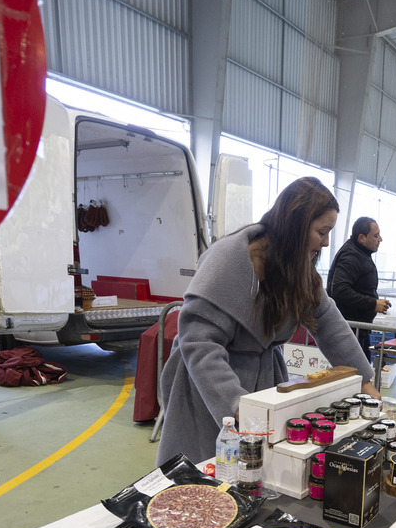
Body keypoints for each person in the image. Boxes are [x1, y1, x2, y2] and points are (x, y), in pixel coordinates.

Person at [156, 178, 380, 465]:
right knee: (205, 474)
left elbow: (328, 322)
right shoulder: (228, 259)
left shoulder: (298, 267)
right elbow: (199, 343)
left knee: (258, 473)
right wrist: (235, 405)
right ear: (295, 225)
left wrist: (364, 380)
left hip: (263, 385)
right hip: (210, 388)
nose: (325, 242)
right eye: (321, 232)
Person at [327, 217, 390, 359]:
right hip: (349, 330)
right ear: (361, 238)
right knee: (355, 376)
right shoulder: (351, 256)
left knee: (363, 374)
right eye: (376, 235)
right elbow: (339, 290)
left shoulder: (361, 253)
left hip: (359, 329)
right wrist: (372, 303)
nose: (380, 239)